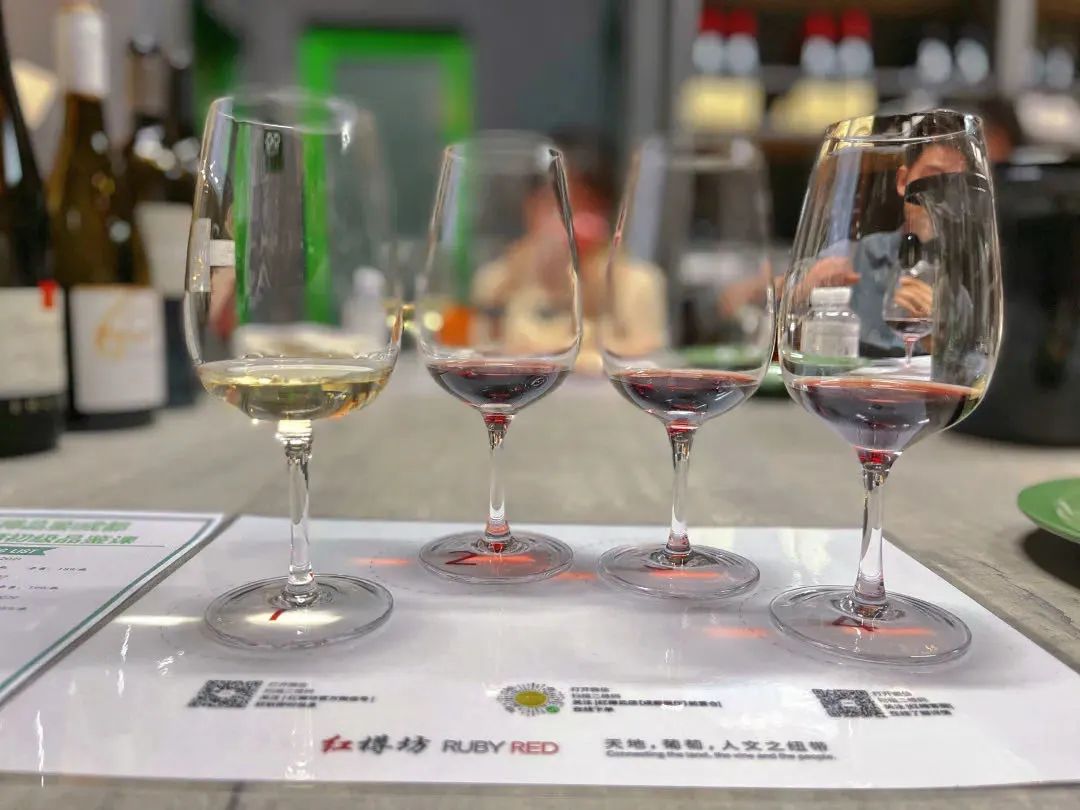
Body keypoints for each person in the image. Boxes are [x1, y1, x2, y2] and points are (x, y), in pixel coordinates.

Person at [470, 131, 666, 371]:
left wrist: (598, 283)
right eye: (553, 202)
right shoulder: (497, 279)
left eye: (583, 203)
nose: (566, 218)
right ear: (529, 207)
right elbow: (481, 353)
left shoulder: (636, 281)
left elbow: (646, 355)